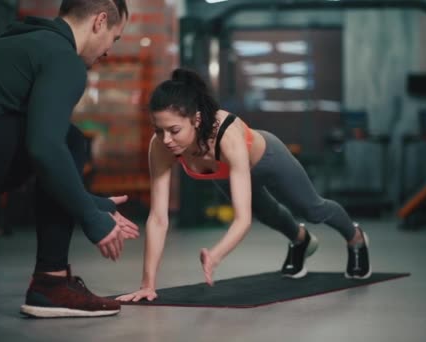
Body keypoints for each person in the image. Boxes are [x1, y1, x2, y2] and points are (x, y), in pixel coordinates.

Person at [0, 0, 139, 318]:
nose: (108, 51)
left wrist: (89, 202)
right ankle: (51, 282)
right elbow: (45, 148)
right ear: (100, 21)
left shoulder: (26, 41)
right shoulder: (62, 58)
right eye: (114, 38)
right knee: (67, 140)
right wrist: (91, 217)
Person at [117, 68, 371, 302]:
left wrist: (215, 255)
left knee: (312, 209)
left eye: (174, 130)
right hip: (227, 174)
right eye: (159, 130)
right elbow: (159, 218)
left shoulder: (226, 136)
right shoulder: (161, 146)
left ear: (195, 119)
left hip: (268, 159)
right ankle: (300, 240)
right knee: (268, 213)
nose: (166, 139)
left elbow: (242, 220)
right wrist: (148, 284)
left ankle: (356, 237)